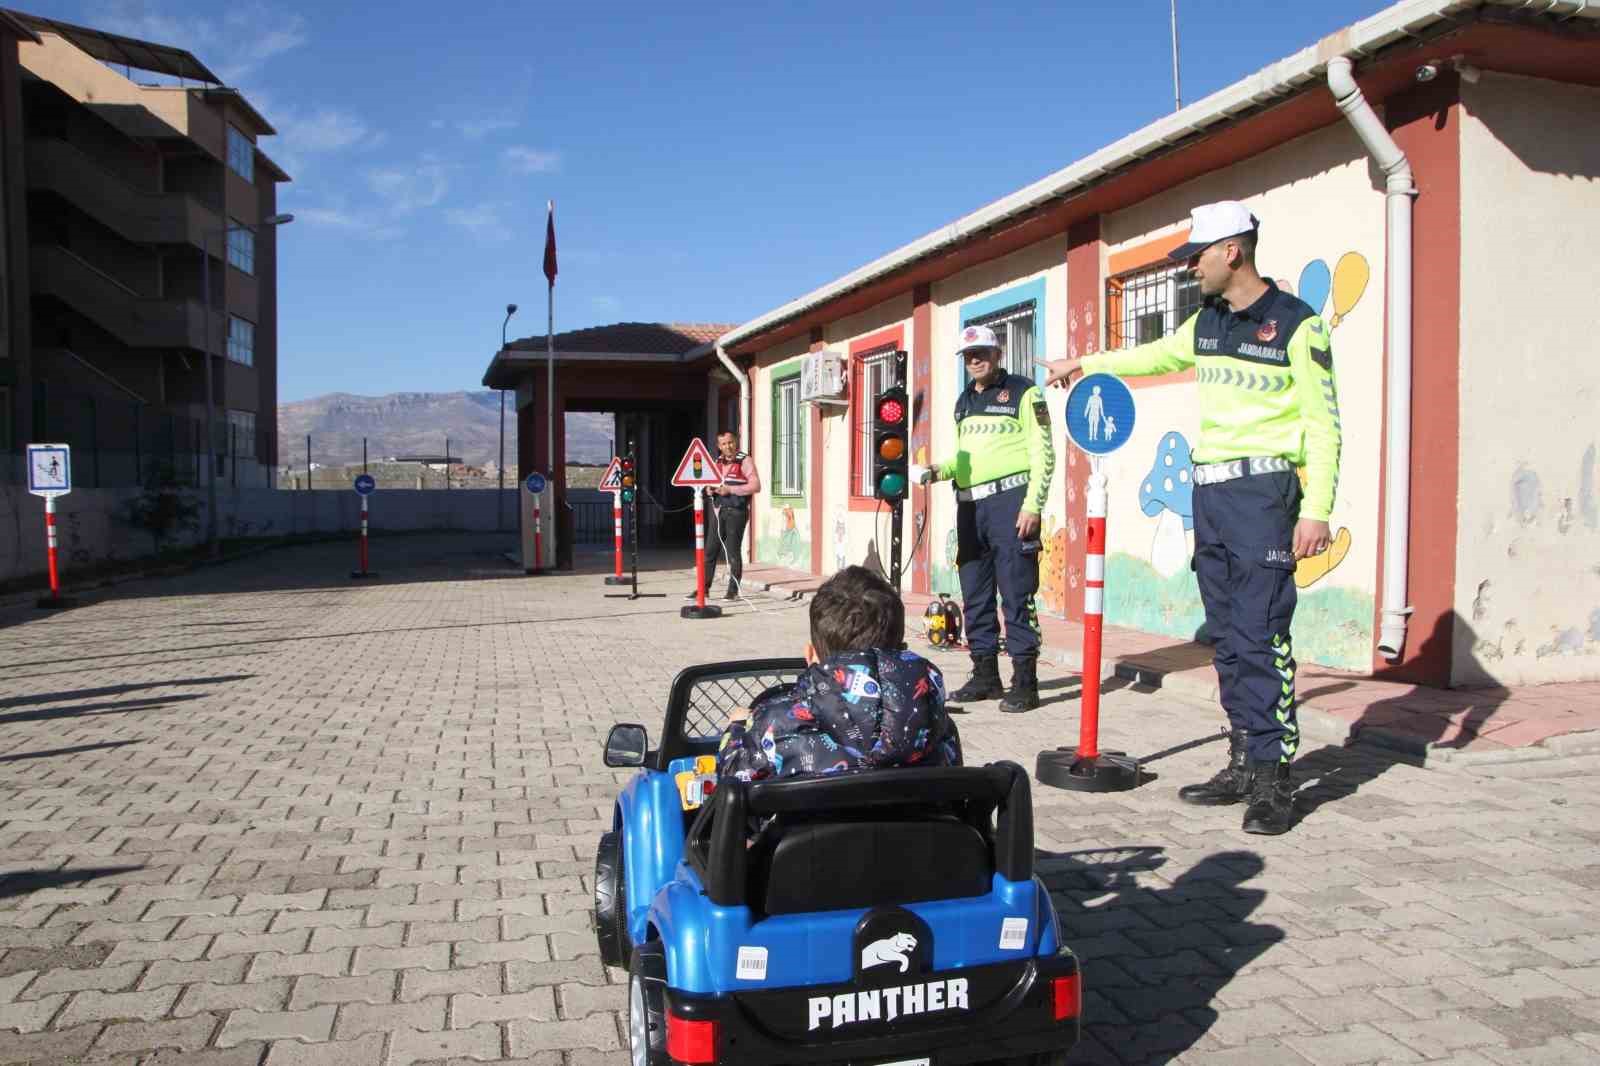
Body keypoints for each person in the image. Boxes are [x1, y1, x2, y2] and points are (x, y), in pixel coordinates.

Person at [1044, 200, 1341, 836]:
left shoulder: (1297, 324)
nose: (1190, 270)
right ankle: (1242, 758)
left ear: (1231, 251)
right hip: (1210, 497)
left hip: (1263, 493)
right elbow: (1150, 356)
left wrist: (1317, 511)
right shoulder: (1205, 322)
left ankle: (1273, 777)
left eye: (1196, 257)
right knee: (1228, 638)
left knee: (1263, 636)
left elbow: (1324, 426)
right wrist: (1082, 364)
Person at [916, 324, 1055, 713]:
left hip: (1011, 503)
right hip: (970, 507)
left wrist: (1033, 504)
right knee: (975, 592)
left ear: (998, 354)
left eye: (981, 353)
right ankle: (985, 675)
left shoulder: (1025, 392)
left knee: (1016, 592)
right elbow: (964, 460)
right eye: (968, 356)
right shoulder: (963, 402)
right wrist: (936, 470)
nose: (975, 360)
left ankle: (1025, 682)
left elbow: (1043, 453)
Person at [717, 565, 961, 783]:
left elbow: (733, 774)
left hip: (804, 833)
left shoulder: (774, 722)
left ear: (811, 656)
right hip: (922, 833)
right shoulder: (934, 724)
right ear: (899, 651)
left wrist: (737, 727)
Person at [695, 430, 760, 601]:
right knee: (710, 551)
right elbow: (711, 483)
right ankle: (703, 589)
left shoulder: (745, 460)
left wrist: (730, 490)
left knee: (733, 552)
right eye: (724, 444)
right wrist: (710, 489)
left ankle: (733, 591)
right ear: (719, 446)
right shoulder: (717, 461)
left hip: (737, 512)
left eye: (730, 442)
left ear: (735, 442)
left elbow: (755, 486)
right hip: (719, 512)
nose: (728, 446)